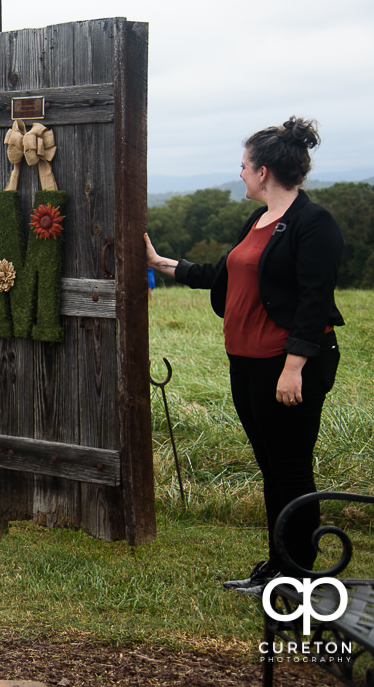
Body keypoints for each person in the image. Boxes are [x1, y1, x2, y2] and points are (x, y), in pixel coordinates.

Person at [146, 117, 343, 594]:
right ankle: (278, 565)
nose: (240, 174)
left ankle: (299, 572)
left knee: (291, 466)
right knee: (270, 465)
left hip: (287, 366)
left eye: (243, 166)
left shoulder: (312, 223)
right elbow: (223, 274)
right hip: (247, 363)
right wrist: (160, 263)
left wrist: (294, 367)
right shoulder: (256, 221)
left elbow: (315, 300)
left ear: (264, 172)